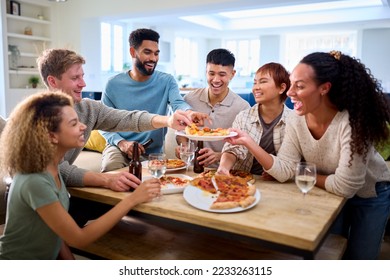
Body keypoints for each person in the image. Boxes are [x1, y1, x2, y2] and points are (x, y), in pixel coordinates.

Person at [220, 51, 390, 260]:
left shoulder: (351, 123)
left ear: (324, 88)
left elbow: (346, 185)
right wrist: (247, 141)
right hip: (329, 193)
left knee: (360, 258)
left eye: (299, 86)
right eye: (291, 84)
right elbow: (283, 171)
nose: (290, 92)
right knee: (327, 253)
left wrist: (302, 175)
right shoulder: (297, 120)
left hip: (368, 193)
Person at [36, 48, 207, 226]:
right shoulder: (38, 117)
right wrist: (107, 179)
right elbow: (56, 169)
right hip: (43, 196)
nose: (83, 84)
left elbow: (127, 118)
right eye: (75, 78)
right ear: (52, 81)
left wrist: (168, 120)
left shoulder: (87, 108)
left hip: (58, 191)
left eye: (82, 76)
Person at [0, 91, 161, 259]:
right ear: (51, 136)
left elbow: (55, 228)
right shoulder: (34, 181)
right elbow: (78, 238)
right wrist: (132, 199)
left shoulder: (51, 168)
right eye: (74, 123)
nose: (83, 126)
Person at [100, 28, 193, 172]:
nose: (153, 59)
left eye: (156, 53)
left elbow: (178, 103)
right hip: (119, 148)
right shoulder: (113, 84)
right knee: (111, 169)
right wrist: (122, 143)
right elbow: (103, 122)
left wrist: (189, 113)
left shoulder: (167, 81)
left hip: (152, 152)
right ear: (133, 52)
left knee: (159, 184)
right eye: (147, 52)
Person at [175, 48, 250, 168]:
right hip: (192, 170)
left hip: (226, 173)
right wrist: (183, 146)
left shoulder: (243, 107)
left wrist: (219, 156)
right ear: (205, 72)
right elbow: (180, 132)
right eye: (211, 73)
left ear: (232, 74)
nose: (215, 80)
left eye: (222, 74)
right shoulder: (189, 99)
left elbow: (244, 148)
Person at [217, 62, 291, 178]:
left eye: (263, 81)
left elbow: (288, 167)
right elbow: (233, 149)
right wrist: (223, 168)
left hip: (279, 185)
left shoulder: (293, 121)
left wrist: (275, 171)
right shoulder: (243, 117)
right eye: (255, 82)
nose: (256, 87)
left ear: (281, 88)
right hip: (242, 180)